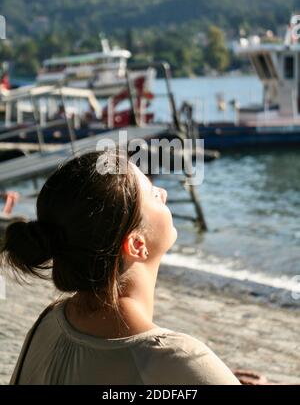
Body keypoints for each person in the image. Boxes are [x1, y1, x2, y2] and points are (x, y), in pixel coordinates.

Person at [0, 151, 240, 385]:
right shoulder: (179, 359)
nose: (164, 192)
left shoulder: (48, 324)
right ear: (136, 244)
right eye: (153, 194)